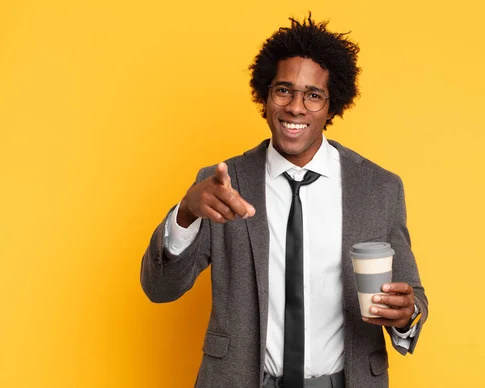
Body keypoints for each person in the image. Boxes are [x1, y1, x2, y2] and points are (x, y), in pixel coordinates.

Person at [141, 14, 428, 388]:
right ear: (265, 95)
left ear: (331, 105)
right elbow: (160, 289)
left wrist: (406, 316)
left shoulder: (378, 189)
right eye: (283, 90)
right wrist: (186, 213)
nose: (295, 107)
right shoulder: (223, 184)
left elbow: (412, 295)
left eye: (313, 95)